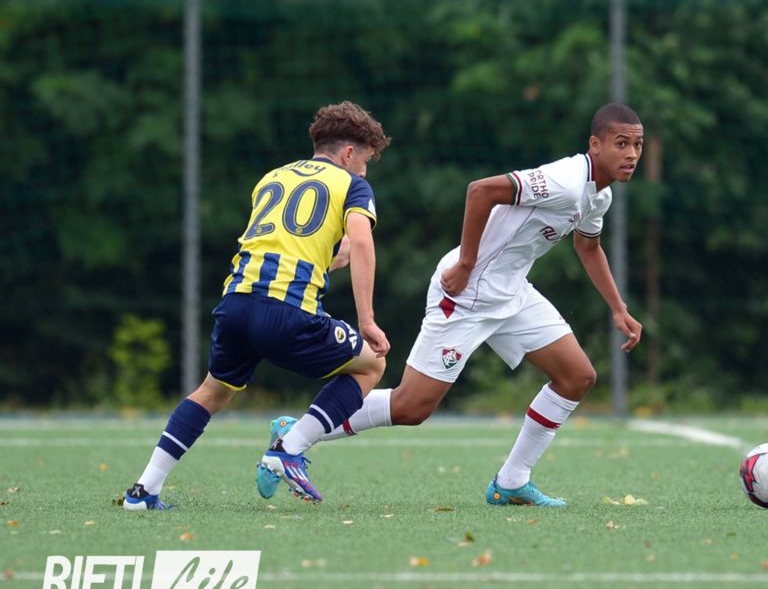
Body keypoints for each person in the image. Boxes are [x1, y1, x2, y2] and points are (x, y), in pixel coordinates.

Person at [259, 102, 644, 507]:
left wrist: (618, 308)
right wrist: (466, 263)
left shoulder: (598, 197)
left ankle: (512, 481)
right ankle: (300, 432)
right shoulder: (565, 180)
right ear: (595, 145)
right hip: (466, 291)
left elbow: (588, 246)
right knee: (411, 407)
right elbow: (481, 191)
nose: (632, 154)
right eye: (621, 144)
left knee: (577, 376)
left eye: (637, 145)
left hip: (513, 292)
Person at [122, 101, 392, 510]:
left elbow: (291, 242)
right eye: (366, 161)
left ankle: (144, 491)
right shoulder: (353, 186)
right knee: (371, 364)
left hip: (235, 303)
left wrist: (331, 257)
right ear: (349, 153)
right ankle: (290, 447)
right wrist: (366, 319)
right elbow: (362, 242)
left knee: (212, 391)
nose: (365, 171)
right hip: (287, 312)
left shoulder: (272, 177)